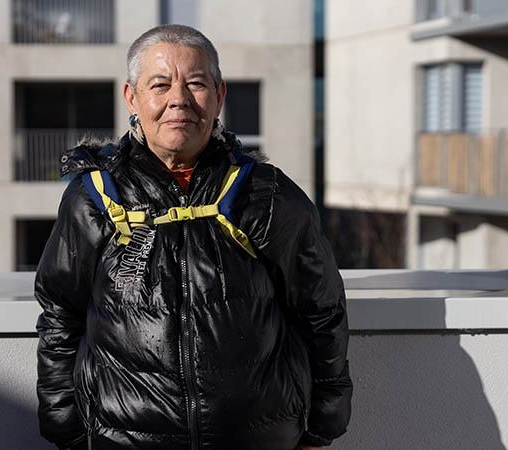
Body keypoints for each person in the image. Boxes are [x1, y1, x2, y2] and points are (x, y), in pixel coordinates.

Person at [35, 24, 351, 450]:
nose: (178, 100)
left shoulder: (266, 194)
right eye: (160, 84)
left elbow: (321, 312)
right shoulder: (94, 198)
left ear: (219, 96)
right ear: (133, 97)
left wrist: (322, 427)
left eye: (197, 84)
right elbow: (60, 314)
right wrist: (67, 430)